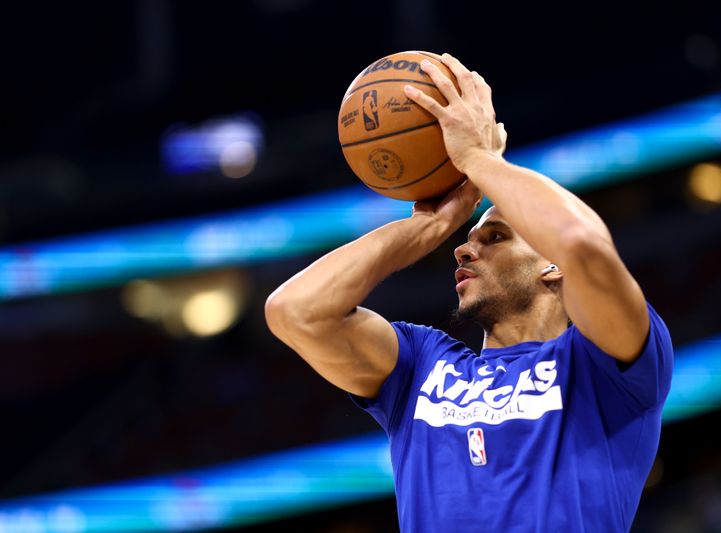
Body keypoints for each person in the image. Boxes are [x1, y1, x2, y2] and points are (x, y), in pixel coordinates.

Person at [265, 53, 673, 532]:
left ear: (552, 265)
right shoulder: (421, 365)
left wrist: (480, 160)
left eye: (495, 236)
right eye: (466, 239)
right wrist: (429, 224)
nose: (463, 250)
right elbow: (294, 311)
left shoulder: (600, 365)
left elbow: (583, 243)